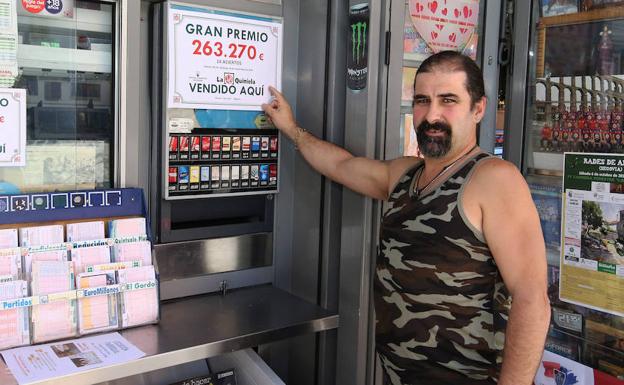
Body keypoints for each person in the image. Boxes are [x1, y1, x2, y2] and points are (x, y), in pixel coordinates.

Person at [262, 50, 550, 385]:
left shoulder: (494, 178)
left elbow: (532, 300)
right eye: (422, 101)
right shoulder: (404, 175)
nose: (432, 115)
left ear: (479, 109)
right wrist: (292, 129)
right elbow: (341, 166)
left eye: (448, 100)